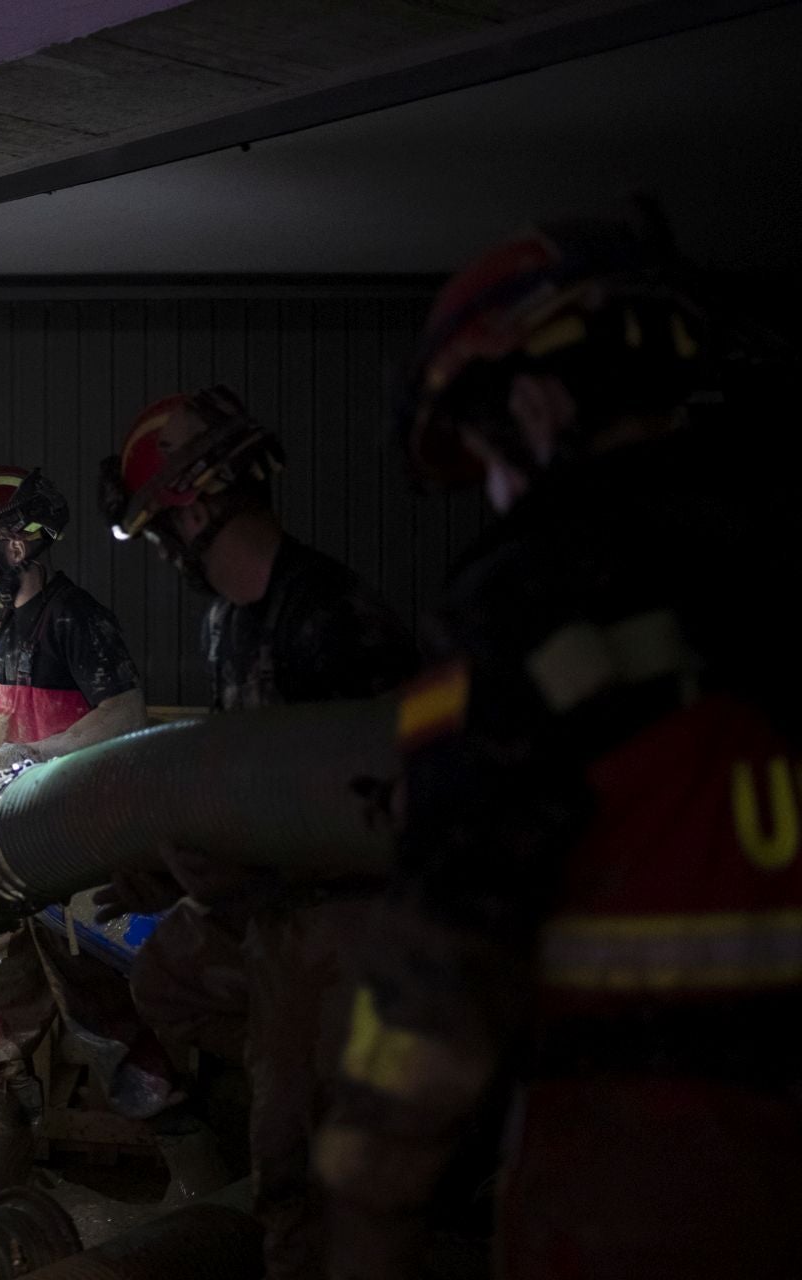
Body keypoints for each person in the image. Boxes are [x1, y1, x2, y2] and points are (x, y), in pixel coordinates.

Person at [315, 219, 802, 1279]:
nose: (492, 489)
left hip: (639, 1195)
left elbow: (433, 984)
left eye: (487, 456)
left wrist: (363, 1212)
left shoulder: (526, 608)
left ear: (536, 403)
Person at [97, 387, 417, 1277]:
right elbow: (238, 782)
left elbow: (385, 821)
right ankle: (255, 1144)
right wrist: (167, 866)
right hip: (273, 919)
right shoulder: (227, 626)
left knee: (318, 1193)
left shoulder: (332, 621)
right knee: (167, 977)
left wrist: (238, 873)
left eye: (160, 529)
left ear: (194, 505)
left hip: (353, 933)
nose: (165, 552)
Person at [0, 466, 165, 1202]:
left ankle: (198, 1175)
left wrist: (35, 754)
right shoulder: (8, 626)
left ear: (16, 546)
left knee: (106, 1024)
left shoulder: (78, 618)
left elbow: (127, 712)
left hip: (73, 853)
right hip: (5, 854)